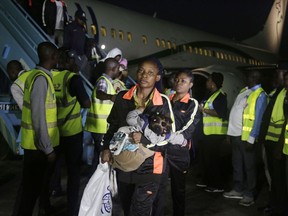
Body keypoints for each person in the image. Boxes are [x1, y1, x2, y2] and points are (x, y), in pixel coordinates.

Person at [101, 57, 174, 216]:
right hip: (124, 162)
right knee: (126, 207)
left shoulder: (162, 102)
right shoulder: (122, 97)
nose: (144, 75)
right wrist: (105, 148)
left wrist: (144, 139)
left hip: (150, 166)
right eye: (141, 71)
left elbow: (167, 136)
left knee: (140, 210)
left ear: (157, 77)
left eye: (150, 73)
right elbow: (112, 126)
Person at [18, 41, 59, 215]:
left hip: (35, 145)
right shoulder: (41, 79)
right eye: (57, 55)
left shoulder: (35, 75)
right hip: (38, 148)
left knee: (32, 190)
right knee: (30, 193)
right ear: (52, 57)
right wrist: (47, 149)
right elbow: (38, 117)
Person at [152, 69, 201, 216]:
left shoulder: (192, 104)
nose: (179, 83)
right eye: (177, 79)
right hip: (162, 151)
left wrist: (167, 137)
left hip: (178, 154)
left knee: (178, 190)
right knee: (158, 188)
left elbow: (188, 130)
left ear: (190, 85)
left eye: (183, 81)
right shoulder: (167, 99)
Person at [51, 47, 91, 216]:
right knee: (73, 172)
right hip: (71, 133)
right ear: (68, 61)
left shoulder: (49, 76)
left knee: (53, 168)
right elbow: (86, 103)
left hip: (53, 132)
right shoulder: (72, 79)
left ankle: (52, 194)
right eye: (73, 60)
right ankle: (72, 209)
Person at [223, 70, 268, 207]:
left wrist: (251, 139)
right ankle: (238, 189)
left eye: (248, 76)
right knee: (237, 164)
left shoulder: (260, 95)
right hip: (236, 135)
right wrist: (230, 133)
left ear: (254, 77)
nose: (246, 77)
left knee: (249, 167)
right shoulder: (245, 90)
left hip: (247, 137)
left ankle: (249, 194)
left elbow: (258, 119)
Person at [110, 108, 187, 172]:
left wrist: (139, 110)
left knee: (122, 130)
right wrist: (183, 142)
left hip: (131, 141)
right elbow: (174, 137)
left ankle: (117, 147)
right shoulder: (164, 135)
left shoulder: (143, 122)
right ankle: (122, 149)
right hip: (137, 153)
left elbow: (129, 118)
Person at [258, 61, 288, 214]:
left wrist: (278, 146)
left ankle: (280, 207)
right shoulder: (278, 92)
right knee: (273, 178)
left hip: (278, 144)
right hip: (270, 141)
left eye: (281, 73)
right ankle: (274, 204)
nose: (277, 76)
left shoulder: (284, 94)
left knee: (279, 179)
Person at [85, 58, 119, 174]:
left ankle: (93, 176)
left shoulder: (108, 81)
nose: (118, 71)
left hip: (101, 126)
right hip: (100, 126)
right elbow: (100, 93)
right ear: (113, 69)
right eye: (118, 69)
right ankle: (98, 179)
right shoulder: (103, 81)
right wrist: (110, 97)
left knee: (98, 154)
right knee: (102, 154)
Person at [197, 72, 228, 192]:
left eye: (208, 80)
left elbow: (220, 113)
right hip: (207, 133)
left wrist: (203, 110)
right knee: (206, 159)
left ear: (213, 83)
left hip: (215, 133)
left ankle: (218, 185)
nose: (206, 82)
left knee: (213, 160)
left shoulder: (220, 96)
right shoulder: (210, 95)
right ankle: (208, 181)